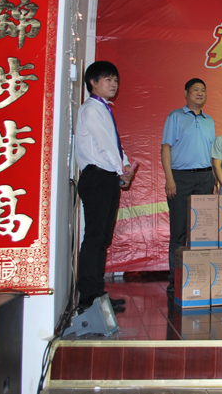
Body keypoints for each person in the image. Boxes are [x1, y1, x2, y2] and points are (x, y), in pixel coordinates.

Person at [75, 61, 135, 312]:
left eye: (116, 80)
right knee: (95, 237)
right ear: (93, 82)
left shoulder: (104, 109)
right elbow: (105, 144)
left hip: (107, 177)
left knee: (102, 238)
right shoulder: (91, 109)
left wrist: (126, 165)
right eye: (108, 79)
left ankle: (97, 295)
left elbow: (114, 144)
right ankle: (88, 298)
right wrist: (121, 169)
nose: (114, 84)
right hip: (97, 177)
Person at [161, 78, 217, 294]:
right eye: (195, 90)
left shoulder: (209, 120)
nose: (200, 93)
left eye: (203, 90)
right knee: (179, 231)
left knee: (202, 231)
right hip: (180, 178)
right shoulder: (175, 116)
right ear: (186, 93)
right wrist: (170, 179)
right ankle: (175, 280)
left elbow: (212, 153)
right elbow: (166, 148)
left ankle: (199, 277)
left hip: (205, 178)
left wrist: (214, 179)